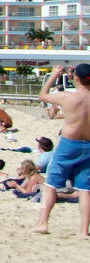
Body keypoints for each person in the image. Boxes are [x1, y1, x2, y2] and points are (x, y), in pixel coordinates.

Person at [35, 63, 90, 237]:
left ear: (76, 78)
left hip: (69, 143)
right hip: (88, 144)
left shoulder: (68, 97)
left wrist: (54, 75)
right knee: (85, 188)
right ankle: (83, 230)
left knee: (51, 184)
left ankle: (43, 223)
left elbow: (42, 96)